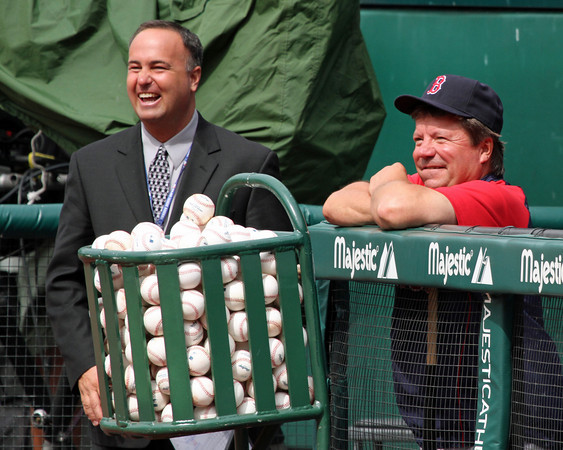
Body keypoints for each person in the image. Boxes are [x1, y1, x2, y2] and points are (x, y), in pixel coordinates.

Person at [45, 20, 291, 449]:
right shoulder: (92, 164)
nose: (143, 80)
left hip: (221, 413)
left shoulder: (249, 162)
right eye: (134, 67)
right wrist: (86, 368)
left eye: (158, 67)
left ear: (194, 76)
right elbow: (65, 280)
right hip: (124, 414)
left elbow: (276, 289)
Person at [323, 74, 562, 449]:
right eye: (418, 139)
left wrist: (388, 180)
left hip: (513, 419)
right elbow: (335, 204)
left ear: (484, 150)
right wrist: (392, 191)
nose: (423, 151)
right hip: (437, 410)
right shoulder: (423, 188)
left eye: (441, 139)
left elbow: (390, 206)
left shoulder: (499, 198)